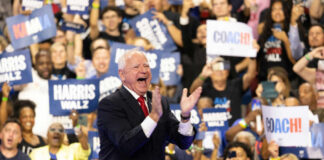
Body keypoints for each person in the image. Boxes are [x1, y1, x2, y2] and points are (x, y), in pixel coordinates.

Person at [97, 50, 202, 159]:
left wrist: (185, 116)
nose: (143, 71)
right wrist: (153, 117)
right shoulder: (109, 104)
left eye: (146, 66)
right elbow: (125, 145)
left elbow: (183, 142)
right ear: (122, 74)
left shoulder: (159, 101)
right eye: (136, 67)